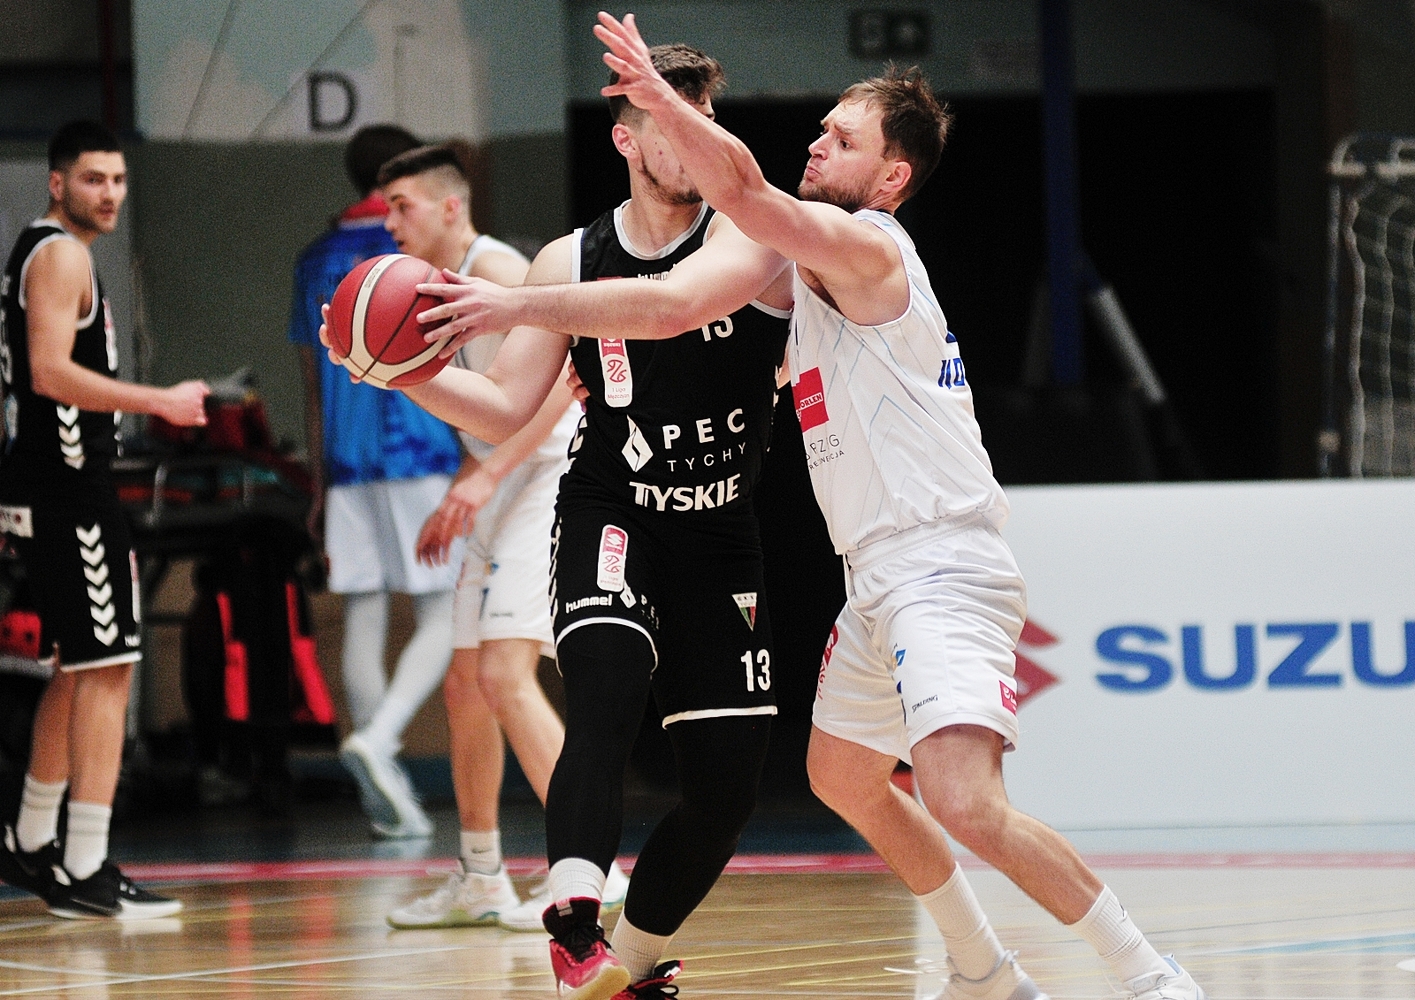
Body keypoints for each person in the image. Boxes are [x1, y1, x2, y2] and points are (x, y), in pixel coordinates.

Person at [585, 14, 1207, 1000]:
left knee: (967, 804)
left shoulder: (869, 243)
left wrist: (660, 101)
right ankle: (980, 969)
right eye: (820, 129)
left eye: (841, 139)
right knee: (840, 776)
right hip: (875, 573)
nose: (816, 144)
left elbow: (740, 194)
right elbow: (681, 317)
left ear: (889, 179)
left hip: (937, 563)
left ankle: (1151, 976)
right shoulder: (810, 273)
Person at [324, 43, 795, 1000]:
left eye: (707, 125)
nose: (699, 145)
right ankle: (574, 918)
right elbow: (504, 406)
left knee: (724, 791)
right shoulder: (569, 257)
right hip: (610, 507)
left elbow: (669, 308)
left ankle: (630, 962)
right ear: (627, 141)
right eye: (673, 127)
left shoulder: (756, 234)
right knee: (604, 690)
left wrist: (512, 303)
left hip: (719, 535)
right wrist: (399, 372)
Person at [369, 142, 628, 931]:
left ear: (451, 206)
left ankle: (596, 868)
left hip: (550, 477)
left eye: (403, 206)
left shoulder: (504, 270)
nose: (390, 221)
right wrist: (468, 483)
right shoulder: (429, 284)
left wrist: (484, 480)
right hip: (501, 482)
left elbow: (560, 389)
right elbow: (479, 407)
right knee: (463, 686)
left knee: (505, 676)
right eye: (386, 208)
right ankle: (481, 876)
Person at [0, 121, 206, 918]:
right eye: (93, 179)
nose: (110, 193)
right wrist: (160, 400)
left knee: (80, 666)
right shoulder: (61, 255)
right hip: (67, 490)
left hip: (50, 485)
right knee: (109, 667)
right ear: (58, 183)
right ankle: (84, 862)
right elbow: (50, 372)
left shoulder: (40, 249)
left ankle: (31, 839)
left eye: (118, 179)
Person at [289, 124, 463, 839]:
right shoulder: (414, 247)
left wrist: (319, 480)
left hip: (347, 459)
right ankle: (381, 739)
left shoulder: (315, 258)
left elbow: (312, 381)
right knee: (445, 611)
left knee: (363, 611)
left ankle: (381, 797)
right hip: (423, 448)